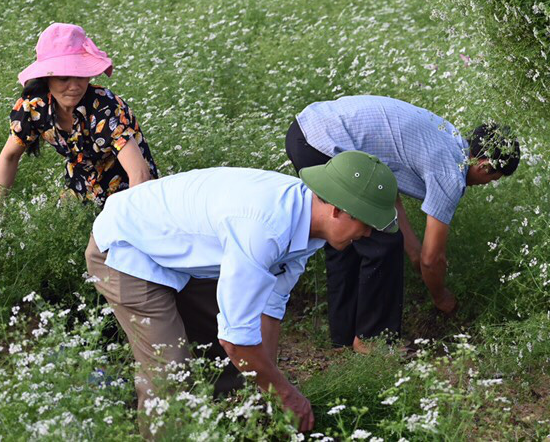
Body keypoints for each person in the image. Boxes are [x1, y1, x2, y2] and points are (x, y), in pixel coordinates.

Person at [86, 150, 399, 433]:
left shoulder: (310, 225)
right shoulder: (265, 228)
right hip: (128, 248)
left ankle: (240, 427)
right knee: (171, 371)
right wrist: (286, 394)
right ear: (338, 210)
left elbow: (269, 307)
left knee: (231, 357)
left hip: (184, 253)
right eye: (367, 224)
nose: (368, 234)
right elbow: (236, 340)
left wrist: (270, 392)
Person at [286, 95, 520, 352]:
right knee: (382, 244)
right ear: (484, 167)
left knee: (347, 240)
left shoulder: (449, 138)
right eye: (493, 179)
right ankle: (373, 341)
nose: (486, 184)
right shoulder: (450, 172)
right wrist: (441, 296)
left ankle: (343, 339)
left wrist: (414, 251)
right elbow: (432, 260)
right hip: (322, 143)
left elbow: (383, 196)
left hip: (309, 130)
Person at [0, 23, 158, 206]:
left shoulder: (104, 107)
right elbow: (9, 157)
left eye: (81, 75)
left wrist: (128, 216)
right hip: (80, 188)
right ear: (47, 78)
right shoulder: (34, 107)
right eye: (63, 78)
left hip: (129, 192)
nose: (74, 86)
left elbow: (139, 174)